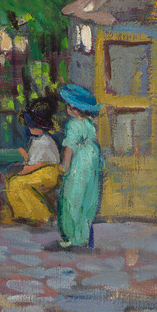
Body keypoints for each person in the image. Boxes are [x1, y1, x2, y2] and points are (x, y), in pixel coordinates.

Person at [56, 85, 103, 248]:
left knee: (72, 195)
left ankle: (71, 236)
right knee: (88, 196)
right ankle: (83, 235)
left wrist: (65, 166)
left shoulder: (73, 125)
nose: (66, 109)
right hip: (92, 160)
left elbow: (69, 148)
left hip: (79, 162)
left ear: (74, 110)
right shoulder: (90, 123)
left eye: (68, 106)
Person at [4, 90, 61, 223]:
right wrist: (24, 158)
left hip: (49, 173)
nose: (29, 128)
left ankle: (42, 214)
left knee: (19, 183)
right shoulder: (35, 140)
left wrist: (22, 171)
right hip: (39, 171)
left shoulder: (45, 142)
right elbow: (32, 161)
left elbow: (38, 164)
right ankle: (24, 213)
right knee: (13, 182)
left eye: (31, 125)